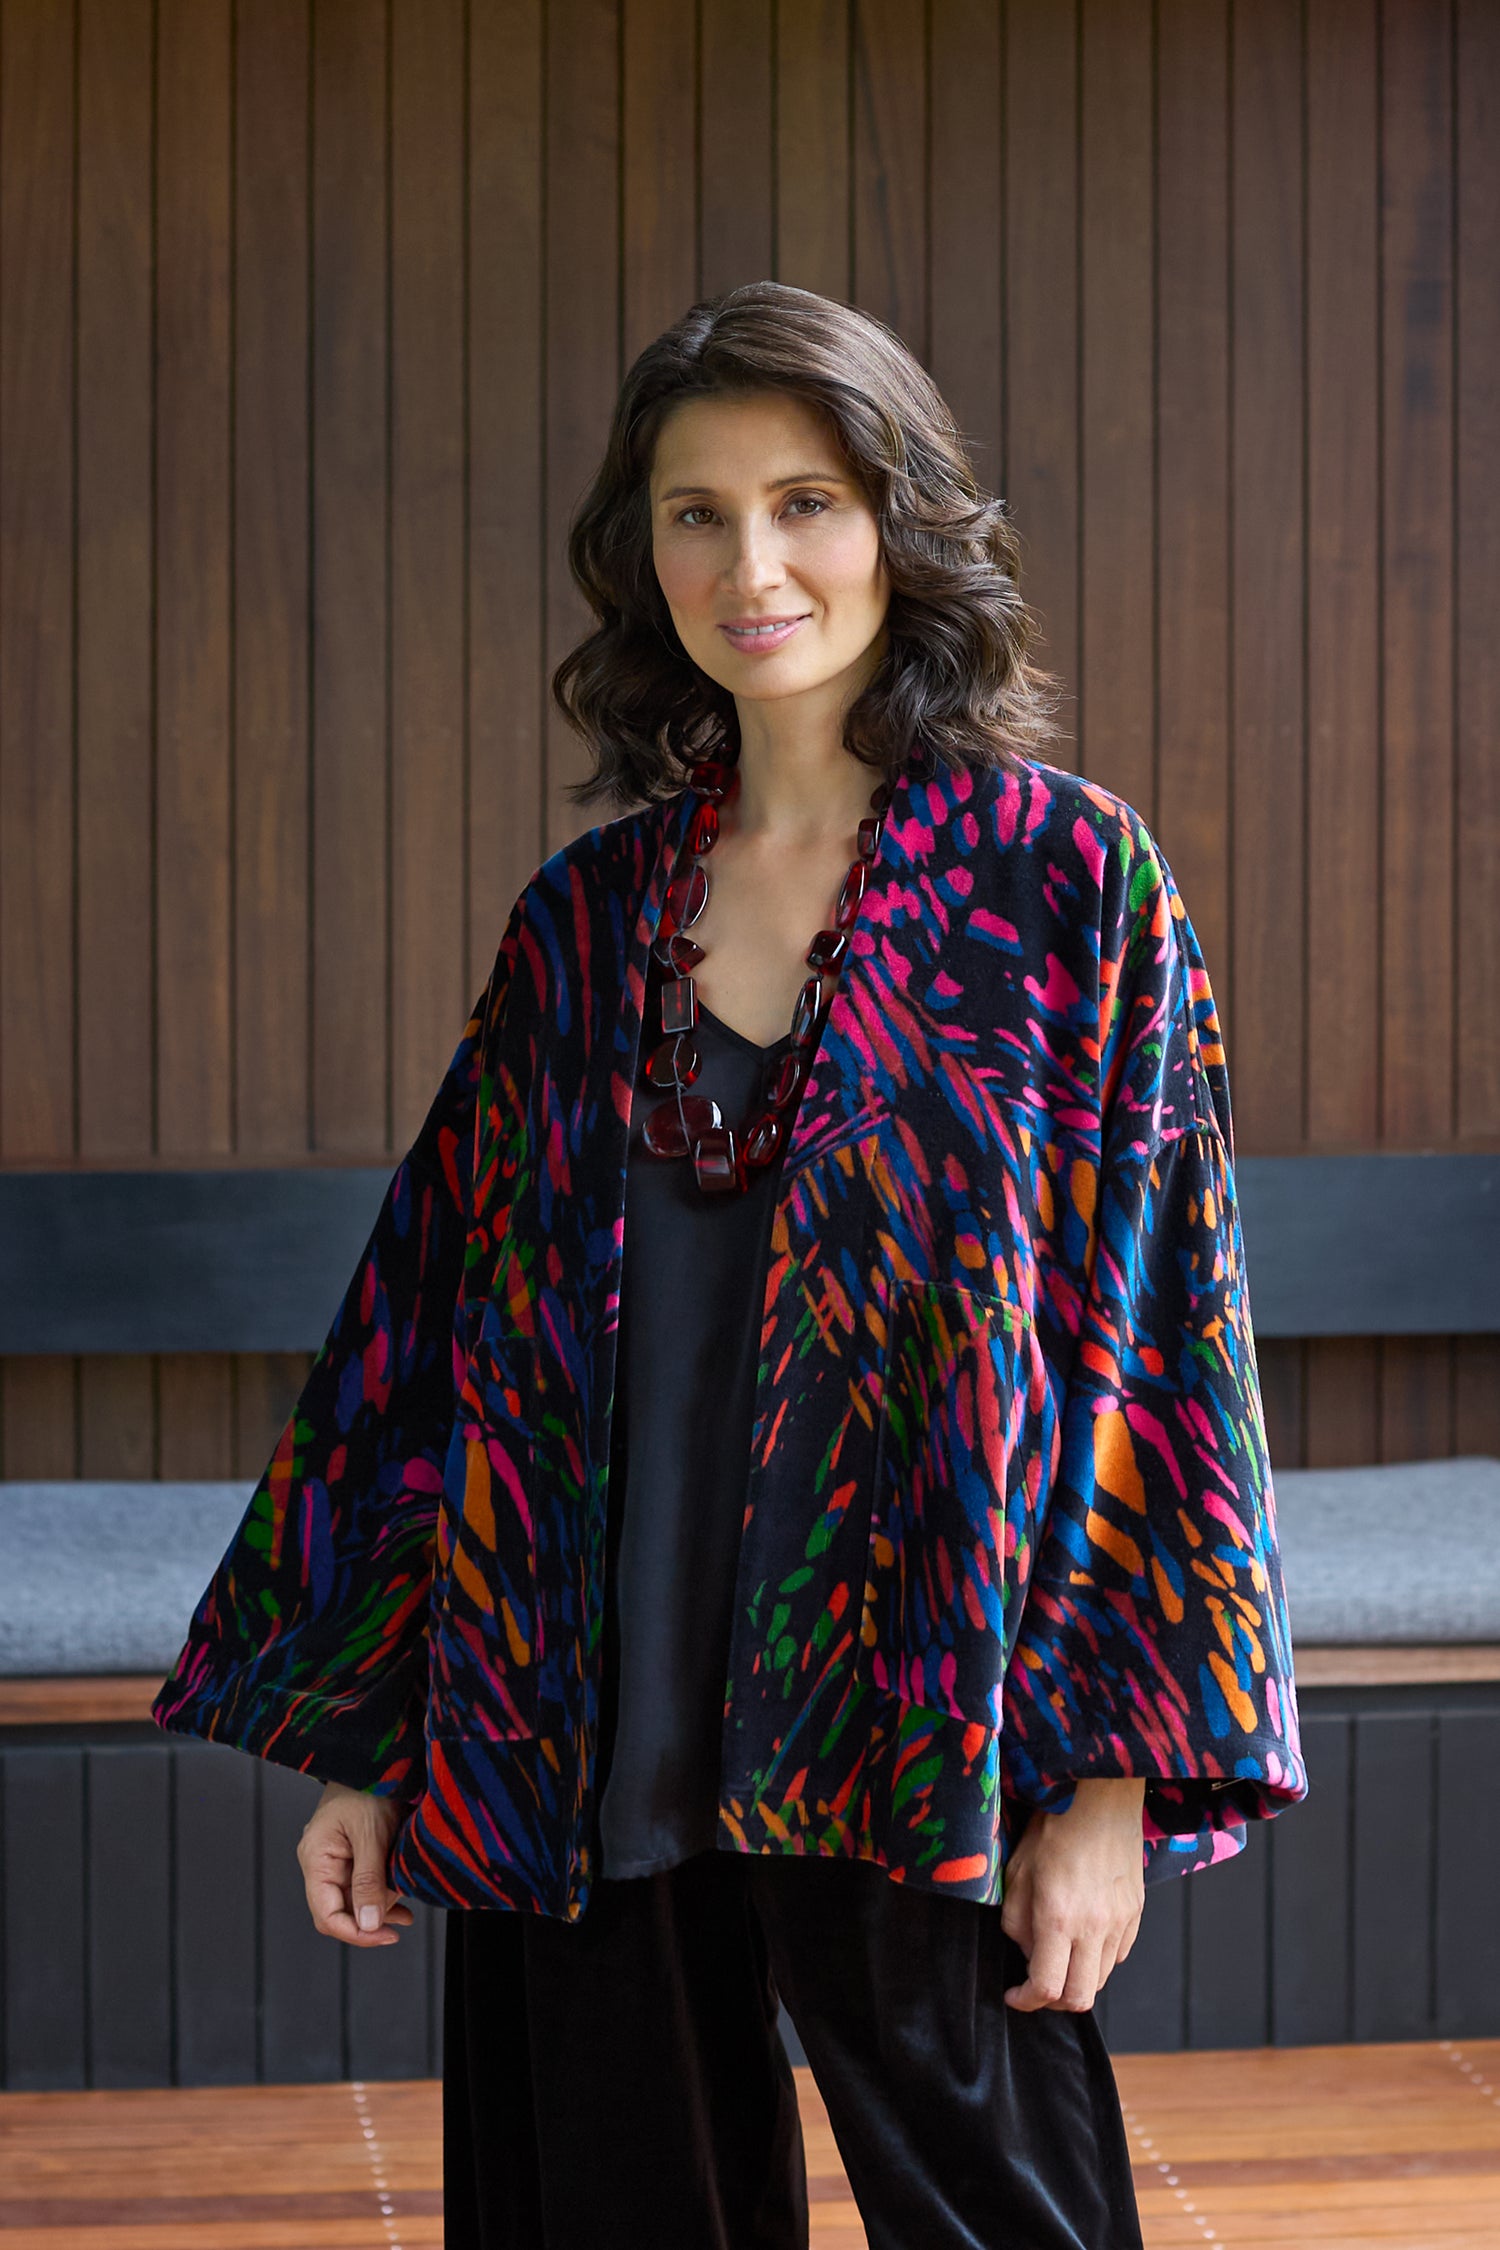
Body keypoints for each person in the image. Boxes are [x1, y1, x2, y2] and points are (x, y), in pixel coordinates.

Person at [154, 281, 1306, 2249]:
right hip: (576, 1720)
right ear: (641, 552)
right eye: (696, 512)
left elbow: (1165, 1343)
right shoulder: (589, 925)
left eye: (806, 501)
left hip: (925, 1709)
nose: (751, 563)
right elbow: (427, 1337)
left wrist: (1113, 1777)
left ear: (900, 523)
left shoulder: (1069, 885)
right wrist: (369, 1740)